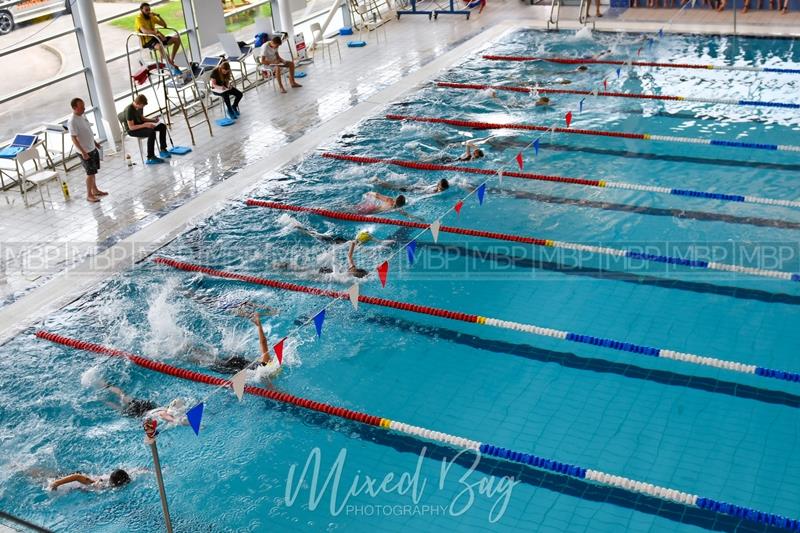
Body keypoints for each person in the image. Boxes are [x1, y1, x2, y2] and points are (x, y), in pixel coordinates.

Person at [67, 98, 106, 203]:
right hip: (84, 151)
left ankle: (95, 190)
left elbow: (88, 131)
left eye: (84, 106)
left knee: (93, 171)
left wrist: (95, 143)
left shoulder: (83, 116)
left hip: (91, 147)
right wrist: (83, 152)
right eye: (81, 107)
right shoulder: (72, 121)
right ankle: (89, 195)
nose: (84, 108)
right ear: (74, 108)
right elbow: (74, 138)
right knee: (90, 173)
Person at [123, 94, 170, 164]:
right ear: (138, 103)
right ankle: (150, 157)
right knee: (151, 132)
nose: (143, 107)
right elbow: (131, 127)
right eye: (142, 106)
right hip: (133, 130)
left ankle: (163, 149)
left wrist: (153, 120)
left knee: (162, 126)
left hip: (141, 125)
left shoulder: (139, 107)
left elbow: (142, 118)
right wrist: (145, 125)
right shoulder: (129, 110)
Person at [135, 2, 181, 71]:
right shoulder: (139, 18)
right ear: (141, 10)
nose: (148, 12)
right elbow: (144, 31)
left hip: (157, 38)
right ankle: (171, 64)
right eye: (146, 10)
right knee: (160, 46)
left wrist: (158, 16)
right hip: (148, 41)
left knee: (177, 39)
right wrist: (156, 33)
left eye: (149, 10)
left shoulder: (151, 17)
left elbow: (164, 25)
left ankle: (171, 60)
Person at [50, 469, 130, 491]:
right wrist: (56, 483)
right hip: (72, 484)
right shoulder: (101, 485)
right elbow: (77, 477)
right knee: (45, 478)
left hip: (84, 477)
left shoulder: (126, 477)